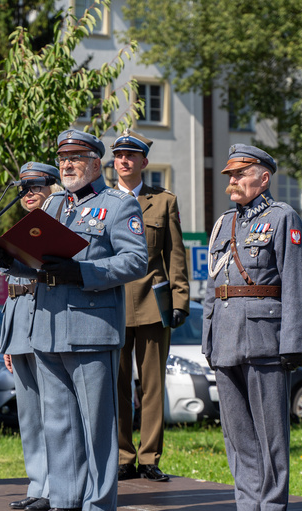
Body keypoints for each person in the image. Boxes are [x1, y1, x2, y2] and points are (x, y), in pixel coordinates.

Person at [0, 130, 148, 511]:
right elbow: (37, 261)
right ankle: (65, 497)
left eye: (76, 157)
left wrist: (85, 271)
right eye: (63, 159)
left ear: (96, 163)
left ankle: (99, 503)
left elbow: (136, 261)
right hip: (47, 324)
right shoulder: (54, 204)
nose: (67, 165)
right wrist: (8, 259)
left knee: (96, 422)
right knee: (57, 420)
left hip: (91, 326)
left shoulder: (118, 204)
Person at [203, 144, 302, 511]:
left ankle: (272, 506)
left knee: (270, 431)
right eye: (230, 175)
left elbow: (296, 284)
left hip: (265, 336)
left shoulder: (283, 218)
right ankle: (247, 502)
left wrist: (292, 342)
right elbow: (213, 285)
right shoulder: (223, 224)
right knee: (236, 431)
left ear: (263, 178)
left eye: (239, 174)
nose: (232, 181)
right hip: (226, 337)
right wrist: (208, 338)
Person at [110, 130, 190, 483]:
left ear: (144, 162)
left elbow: (175, 254)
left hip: (153, 301)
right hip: (111, 301)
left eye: (131, 155)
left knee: (152, 385)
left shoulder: (163, 201)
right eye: (119, 155)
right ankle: (123, 455)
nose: (124, 160)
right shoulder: (102, 201)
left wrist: (180, 299)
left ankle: (150, 457)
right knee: (117, 382)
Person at [0, 161, 57, 511]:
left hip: (45, 319)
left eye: (36, 187)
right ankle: (38, 483)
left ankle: (56, 486)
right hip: (20, 320)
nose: (28, 194)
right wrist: (8, 339)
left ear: (52, 188)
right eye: (24, 188)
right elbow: (12, 288)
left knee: (53, 412)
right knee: (29, 414)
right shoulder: (21, 226)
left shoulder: (57, 224)